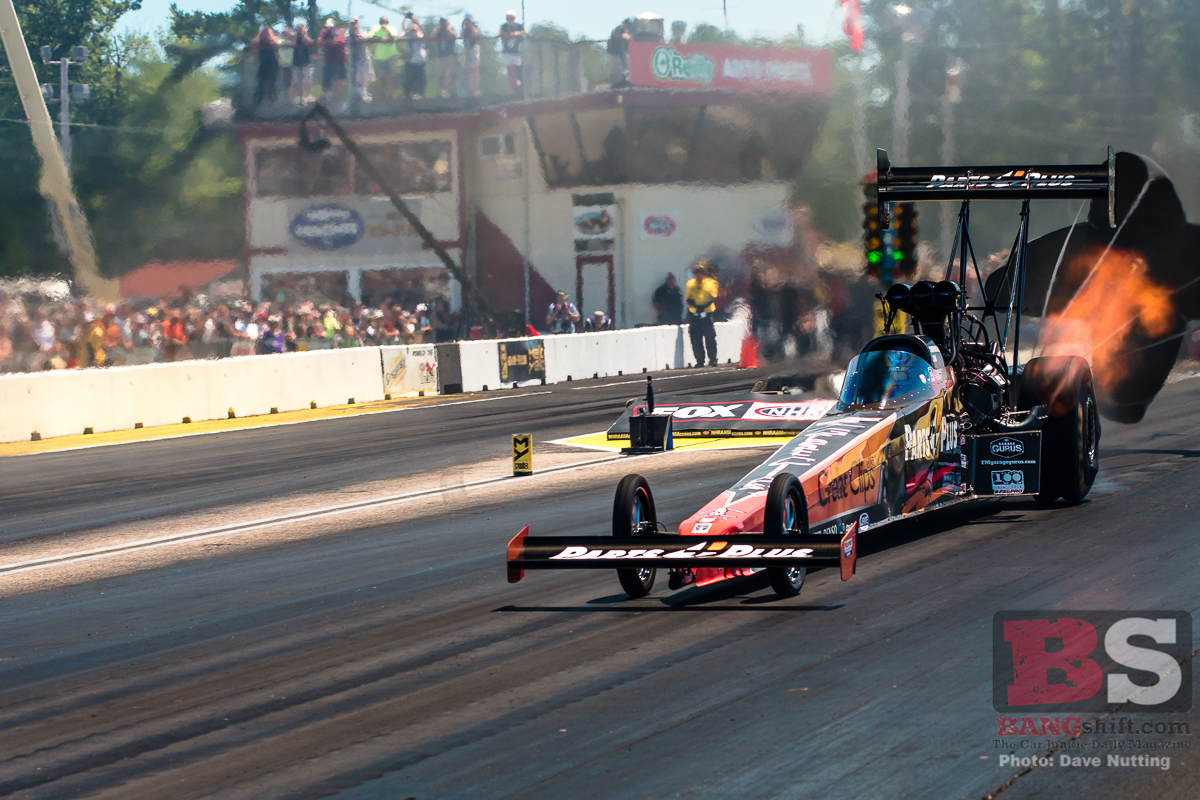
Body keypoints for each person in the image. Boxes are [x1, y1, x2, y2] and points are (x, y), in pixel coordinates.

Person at [686, 262, 719, 367]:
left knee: (710, 337)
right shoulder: (691, 284)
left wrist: (703, 307)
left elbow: (712, 296)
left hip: (707, 313)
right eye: (697, 273)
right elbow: (688, 298)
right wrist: (695, 307)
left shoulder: (711, 283)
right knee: (695, 338)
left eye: (701, 273)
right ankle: (700, 360)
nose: (699, 275)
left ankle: (713, 359)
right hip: (695, 314)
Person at [369, 17, 400, 100]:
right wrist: (380, 39)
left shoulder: (392, 28)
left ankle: (393, 95)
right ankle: (382, 94)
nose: (383, 23)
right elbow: (370, 38)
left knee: (392, 76)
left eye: (385, 21)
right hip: (379, 56)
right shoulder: (375, 28)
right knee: (381, 77)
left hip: (391, 55)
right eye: (382, 21)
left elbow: (392, 38)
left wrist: (386, 31)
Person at [318, 19, 347, 104]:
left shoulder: (337, 31)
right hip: (329, 60)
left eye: (331, 27)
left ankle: (336, 98)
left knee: (339, 79)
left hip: (339, 60)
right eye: (328, 27)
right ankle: (328, 98)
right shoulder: (324, 32)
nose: (329, 29)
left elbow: (338, 41)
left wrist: (327, 41)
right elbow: (319, 41)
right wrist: (328, 41)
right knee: (327, 79)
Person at [251, 26, 281, 107]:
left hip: (273, 64)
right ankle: (259, 102)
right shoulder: (259, 41)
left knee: (272, 83)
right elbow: (253, 44)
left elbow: (276, 44)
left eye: (266, 33)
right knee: (261, 82)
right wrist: (258, 37)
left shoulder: (273, 41)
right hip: (263, 64)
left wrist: (271, 38)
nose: (264, 34)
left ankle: (272, 102)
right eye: (263, 32)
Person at [499, 10, 525, 95]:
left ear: (514, 19)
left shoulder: (518, 26)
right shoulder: (504, 26)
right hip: (506, 53)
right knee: (510, 72)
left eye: (511, 18)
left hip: (516, 53)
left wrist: (517, 33)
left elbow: (525, 32)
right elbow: (500, 33)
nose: (509, 20)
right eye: (508, 18)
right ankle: (512, 91)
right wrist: (509, 35)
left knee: (515, 70)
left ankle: (516, 88)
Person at [431, 18, 458, 98]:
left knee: (452, 73)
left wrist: (447, 27)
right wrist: (437, 28)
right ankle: (442, 90)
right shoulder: (438, 30)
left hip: (450, 54)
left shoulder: (451, 29)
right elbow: (432, 36)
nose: (443, 23)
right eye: (441, 21)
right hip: (442, 55)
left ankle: (452, 89)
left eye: (444, 21)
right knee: (441, 74)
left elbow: (453, 35)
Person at [349, 18, 374, 102]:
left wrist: (358, 34)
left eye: (355, 23)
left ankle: (364, 93)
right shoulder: (348, 33)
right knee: (355, 77)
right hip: (353, 59)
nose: (354, 25)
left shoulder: (363, 32)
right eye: (352, 23)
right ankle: (355, 94)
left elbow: (365, 41)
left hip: (363, 57)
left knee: (365, 75)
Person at [404, 17, 428, 99]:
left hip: (420, 60)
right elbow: (400, 36)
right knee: (411, 78)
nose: (413, 31)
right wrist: (407, 31)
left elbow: (421, 33)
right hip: (411, 61)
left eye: (414, 30)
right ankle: (411, 93)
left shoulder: (419, 35)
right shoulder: (408, 37)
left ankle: (421, 93)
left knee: (420, 77)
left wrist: (413, 19)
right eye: (411, 30)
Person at [291, 23, 315, 104]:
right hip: (296, 62)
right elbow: (293, 44)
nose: (299, 30)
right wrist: (296, 35)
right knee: (296, 80)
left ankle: (309, 96)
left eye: (301, 28)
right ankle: (298, 97)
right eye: (298, 28)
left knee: (308, 80)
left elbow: (310, 42)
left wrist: (304, 34)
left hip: (307, 62)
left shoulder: (308, 35)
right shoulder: (294, 37)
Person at [606, 19, 632, 88]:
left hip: (623, 53)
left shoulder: (630, 31)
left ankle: (624, 82)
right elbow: (618, 35)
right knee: (615, 71)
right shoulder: (619, 29)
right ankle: (614, 85)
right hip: (614, 53)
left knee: (626, 67)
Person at [460, 14, 481, 96]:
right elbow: (461, 36)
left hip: (473, 48)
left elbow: (475, 34)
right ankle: (469, 88)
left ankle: (476, 88)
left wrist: (471, 25)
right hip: (466, 49)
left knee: (474, 68)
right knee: (467, 68)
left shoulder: (474, 26)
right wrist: (464, 27)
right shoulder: (464, 27)